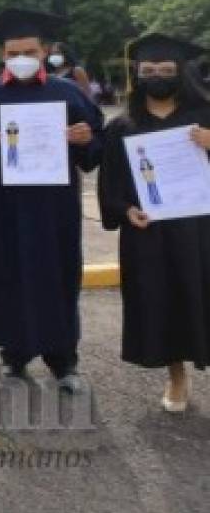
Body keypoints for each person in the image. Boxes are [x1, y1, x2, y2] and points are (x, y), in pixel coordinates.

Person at [0, 10, 103, 392]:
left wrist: (85, 139)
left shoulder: (69, 93)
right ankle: (14, 355)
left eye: (28, 50)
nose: (20, 58)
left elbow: (97, 144)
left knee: (57, 276)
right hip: (5, 209)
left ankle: (64, 362)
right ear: (2, 54)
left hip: (55, 208)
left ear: (45, 52)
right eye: (12, 52)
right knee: (8, 275)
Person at [97, 33, 210, 413]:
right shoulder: (122, 127)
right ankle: (176, 375)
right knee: (163, 302)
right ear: (136, 74)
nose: (157, 76)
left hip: (202, 228)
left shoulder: (205, 116)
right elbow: (110, 186)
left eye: (166, 70)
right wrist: (127, 210)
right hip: (150, 232)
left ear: (182, 72)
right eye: (148, 70)